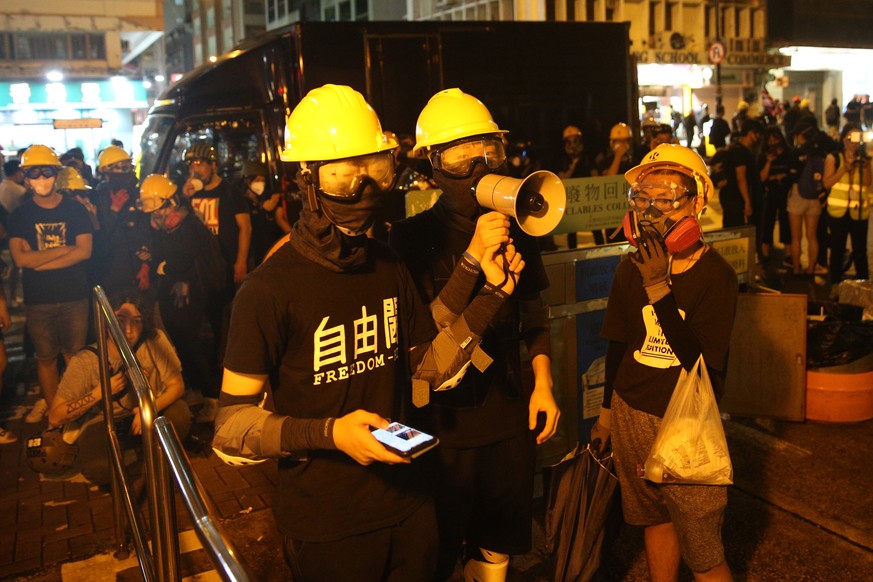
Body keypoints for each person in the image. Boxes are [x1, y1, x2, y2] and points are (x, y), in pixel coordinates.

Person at [212, 84, 524, 582]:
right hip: (327, 523)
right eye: (342, 176)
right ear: (306, 181)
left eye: (375, 171)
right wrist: (329, 434)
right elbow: (230, 431)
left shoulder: (388, 266)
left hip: (410, 504)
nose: (363, 191)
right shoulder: (269, 289)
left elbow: (425, 372)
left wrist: (491, 299)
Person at [391, 88, 559, 581]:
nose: (479, 167)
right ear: (433, 166)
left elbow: (535, 313)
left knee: (497, 548)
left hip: (506, 417)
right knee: (438, 549)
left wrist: (543, 384)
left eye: (488, 152)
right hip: (441, 424)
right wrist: (471, 262)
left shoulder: (519, 226)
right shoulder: (410, 239)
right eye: (460, 157)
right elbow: (421, 336)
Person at [591, 143, 738, 582]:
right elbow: (617, 343)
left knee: (704, 547)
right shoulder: (630, 266)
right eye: (644, 196)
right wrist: (605, 413)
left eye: (668, 196)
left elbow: (701, 364)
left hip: (689, 421)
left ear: (697, 202)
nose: (653, 209)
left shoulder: (718, 277)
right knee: (653, 518)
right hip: (631, 412)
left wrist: (660, 289)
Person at [46, 289, 191, 485]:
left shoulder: (154, 340)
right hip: (107, 421)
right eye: (121, 320)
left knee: (180, 415)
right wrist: (101, 392)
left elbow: (177, 386)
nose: (128, 330)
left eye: (137, 321)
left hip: (145, 413)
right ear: (107, 321)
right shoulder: (86, 360)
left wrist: (148, 407)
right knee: (100, 470)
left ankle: (157, 457)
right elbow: (56, 416)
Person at [9, 145, 93, 424]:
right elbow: (20, 259)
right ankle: (54, 409)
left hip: (74, 295)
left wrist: (38, 260)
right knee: (45, 358)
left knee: (74, 357)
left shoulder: (75, 210)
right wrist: (63, 250)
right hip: (39, 299)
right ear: (26, 176)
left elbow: (84, 251)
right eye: (34, 173)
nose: (41, 178)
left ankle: (75, 408)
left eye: (46, 172)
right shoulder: (20, 215)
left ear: (56, 174)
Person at [137, 174, 221, 422]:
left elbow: (182, 258)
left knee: (190, 342)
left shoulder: (187, 225)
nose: (156, 214)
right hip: (175, 292)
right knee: (181, 342)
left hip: (188, 292)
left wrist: (164, 267)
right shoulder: (167, 225)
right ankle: (195, 389)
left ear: (170, 201)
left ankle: (211, 397)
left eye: (160, 207)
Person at [181, 142, 252, 421]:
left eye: (200, 164)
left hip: (223, 267)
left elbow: (245, 227)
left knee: (224, 327)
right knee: (199, 329)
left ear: (213, 165)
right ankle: (203, 385)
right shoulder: (189, 193)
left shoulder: (230, 192)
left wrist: (241, 261)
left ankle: (224, 389)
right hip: (197, 270)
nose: (195, 169)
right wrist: (184, 197)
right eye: (191, 165)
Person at [89, 145, 151, 296]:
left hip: (138, 271)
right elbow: (99, 236)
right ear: (106, 172)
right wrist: (114, 210)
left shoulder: (138, 195)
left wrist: (146, 266)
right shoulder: (97, 197)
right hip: (111, 272)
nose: (125, 173)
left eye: (127, 167)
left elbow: (148, 232)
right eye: (120, 168)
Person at [824, 122, 873, 283]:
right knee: (837, 249)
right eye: (852, 137)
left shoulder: (864, 158)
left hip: (859, 212)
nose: (855, 141)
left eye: (859, 137)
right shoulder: (833, 158)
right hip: (838, 213)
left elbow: (867, 183)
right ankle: (836, 284)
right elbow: (827, 183)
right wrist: (844, 168)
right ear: (844, 138)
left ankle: (862, 286)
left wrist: (866, 167)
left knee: (860, 251)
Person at [786, 121, 829, 276]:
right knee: (812, 236)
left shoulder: (795, 154)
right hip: (815, 196)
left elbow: (790, 176)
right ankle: (811, 269)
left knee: (796, 237)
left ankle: (797, 269)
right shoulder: (820, 153)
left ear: (801, 136)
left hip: (798, 194)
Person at [758, 127, 797, 265]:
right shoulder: (764, 155)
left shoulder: (789, 153)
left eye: (776, 138)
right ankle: (765, 252)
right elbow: (762, 178)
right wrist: (769, 162)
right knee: (768, 221)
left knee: (786, 222)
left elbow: (793, 174)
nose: (773, 142)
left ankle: (788, 253)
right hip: (770, 193)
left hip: (786, 193)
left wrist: (782, 177)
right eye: (770, 139)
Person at [716, 118, 763, 228]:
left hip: (730, 195)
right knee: (736, 230)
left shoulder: (735, 147)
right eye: (758, 134)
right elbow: (741, 178)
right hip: (735, 197)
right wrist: (747, 202)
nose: (759, 137)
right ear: (750, 133)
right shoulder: (741, 152)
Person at [239, 161, 287, 265]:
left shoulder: (268, 196)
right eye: (257, 180)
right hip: (254, 252)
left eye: (263, 180)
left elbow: (278, 219)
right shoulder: (242, 202)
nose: (261, 183)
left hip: (271, 247)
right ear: (248, 182)